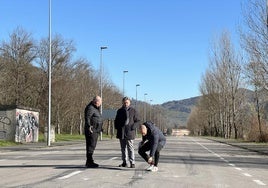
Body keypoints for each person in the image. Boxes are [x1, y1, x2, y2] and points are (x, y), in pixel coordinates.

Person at [114, 97, 141, 168]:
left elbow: (138, 121)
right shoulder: (119, 111)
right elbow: (116, 120)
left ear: (129, 103)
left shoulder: (133, 111)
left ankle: (132, 162)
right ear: (122, 103)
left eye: (127, 102)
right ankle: (124, 162)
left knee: (130, 148)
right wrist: (117, 127)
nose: (126, 104)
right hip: (121, 132)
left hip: (130, 132)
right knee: (123, 149)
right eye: (124, 102)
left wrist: (132, 127)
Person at [84, 96, 103, 168]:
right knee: (90, 146)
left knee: (92, 146)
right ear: (96, 101)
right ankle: (89, 162)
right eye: (100, 103)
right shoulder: (90, 108)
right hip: (92, 130)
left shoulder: (95, 108)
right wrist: (89, 126)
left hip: (95, 130)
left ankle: (89, 161)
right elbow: (87, 118)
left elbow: (96, 118)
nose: (100, 104)